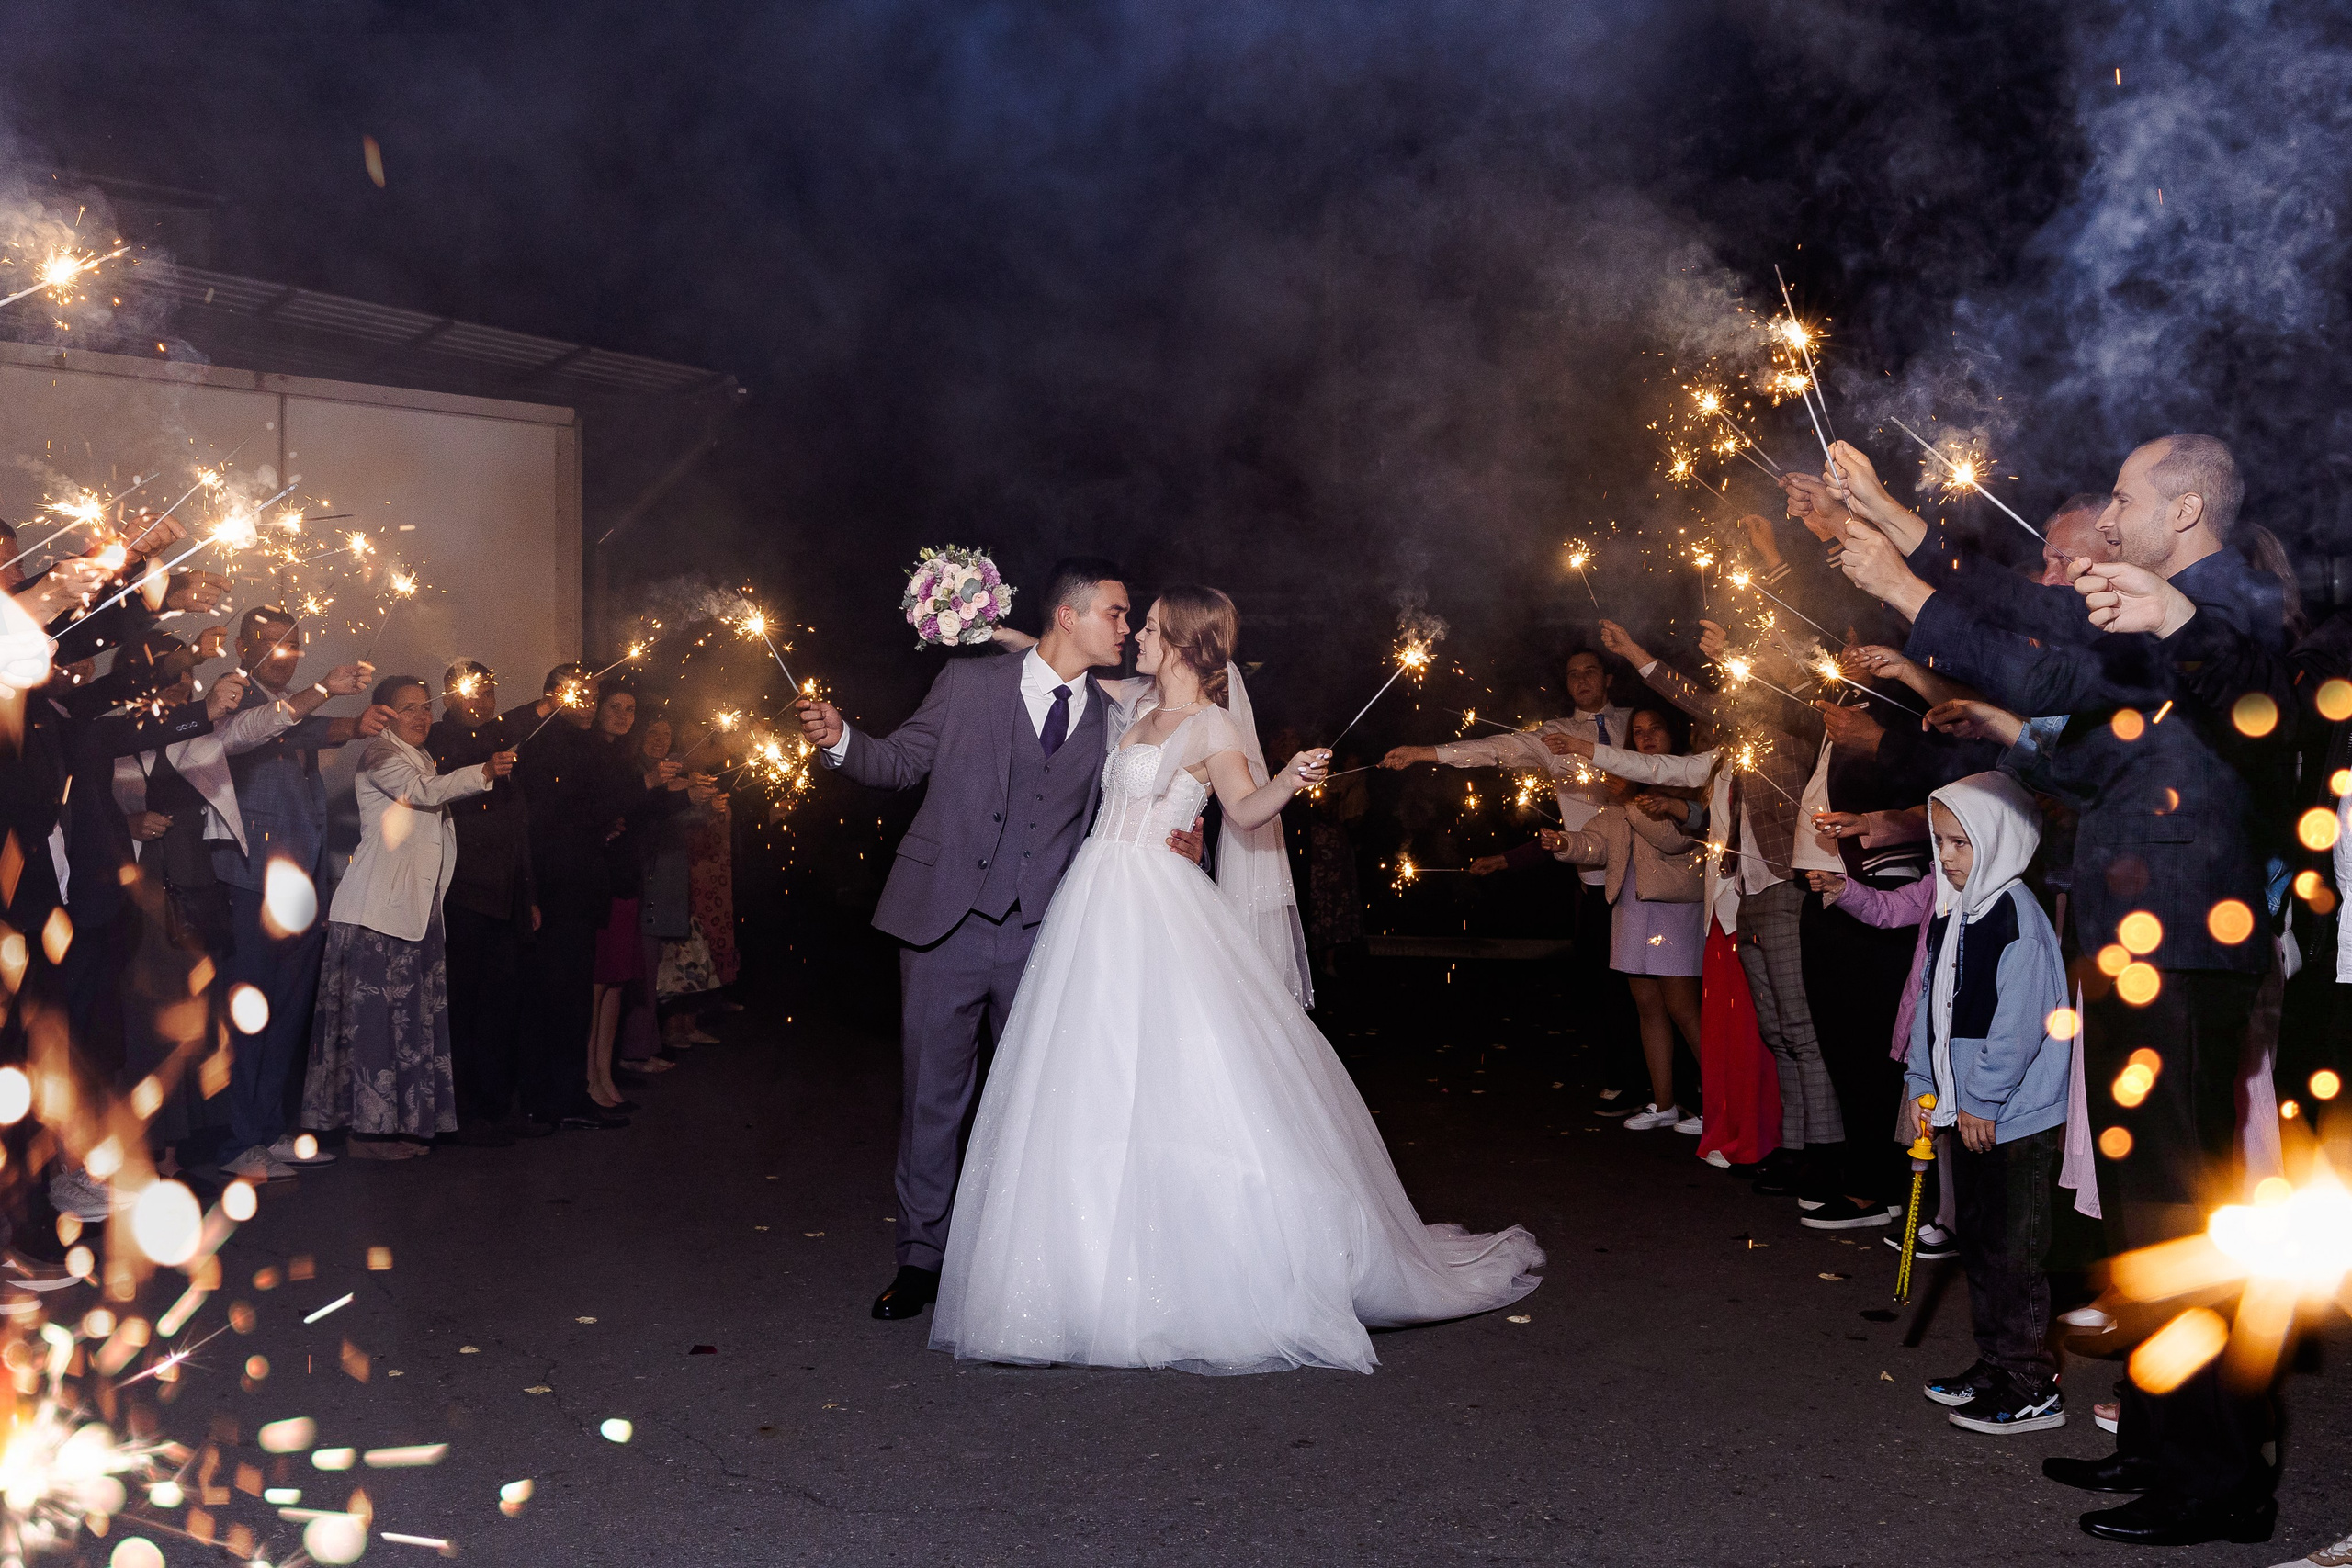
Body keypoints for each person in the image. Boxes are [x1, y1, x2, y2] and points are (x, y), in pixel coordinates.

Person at [1831, 434, 2287, 1546]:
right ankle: (2158, 1446)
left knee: (2181, 1219)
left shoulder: (2230, 609)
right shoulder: (2165, 606)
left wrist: (1902, 582)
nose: (2106, 513)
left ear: (2181, 510)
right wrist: (1903, 527)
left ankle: (2216, 1486)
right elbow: (2063, 680)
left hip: (2185, 950)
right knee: (2141, 1222)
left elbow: (2059, 661)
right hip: (2143, 945)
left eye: (2126, 495)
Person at [928, 586, 1543, 1372]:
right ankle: (1079, 1273)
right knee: (1087, 1073)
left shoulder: (1213, 724)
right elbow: (1048, 653)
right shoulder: (1131, 702)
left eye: (1148, 627)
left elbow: (1247, 812)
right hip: (1094, 900)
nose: (1135, 636)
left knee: (1186, 1074)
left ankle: (1215, 1266)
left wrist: (1289, 775)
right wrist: (976, 618)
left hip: (1157, 901)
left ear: (1184, 641)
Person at [794, 558, 1203, 1321]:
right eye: (1116, 613)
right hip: (942, 922)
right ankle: (919, 1262)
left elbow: (1148, 791)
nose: (1126, 627)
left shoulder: (1117, 715)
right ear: (1069, 616)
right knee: (931, 1103)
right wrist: (842, 737)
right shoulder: (969, 684)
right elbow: (899, 760)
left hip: (1044, 935)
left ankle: (1021, 1263)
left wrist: (1184, 832)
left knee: (1037, 1104)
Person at [1886, 774, 2070, 1435]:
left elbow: (2021, 1023)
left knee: (2015, 1251)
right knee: (1982, 1246)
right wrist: (1920, 1085)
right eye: (1940, 842)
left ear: (1999, 839)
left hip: (2011, 1117)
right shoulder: (1954, 908)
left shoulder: (2016, 912)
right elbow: (1934, 1013)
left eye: (1961, 841)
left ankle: (2030, 1383)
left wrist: (1985, 1097)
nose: (1949, 855)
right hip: (1967, 1109)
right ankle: (1996, 1362)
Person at [1381, 648, 1641, 1113]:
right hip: (1596, 876)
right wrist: (1425, 753)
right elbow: (1496, 749)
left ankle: (1672, 1086)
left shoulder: (1639, 724)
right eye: (1572, 673)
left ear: (1609, 679)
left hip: (1654, 868)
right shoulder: (1557, 734)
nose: (1581, 680)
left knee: (1661, 985)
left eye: (1590, 671)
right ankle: (1625, 1078)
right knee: (1609, 986)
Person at [213, 606, 396, 1180]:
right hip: (250, 884)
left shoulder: (295, 710)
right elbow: (273, 726)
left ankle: (268, 1131)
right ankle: (236, 1140)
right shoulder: (232, 698)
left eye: (290, 643)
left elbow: (309, 729)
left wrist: (356, 722)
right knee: (248, 1016)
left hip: (302, 887)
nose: (279, 652)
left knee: (288, 1014)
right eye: (267, 642)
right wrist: (327, 695)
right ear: (243, 648)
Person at [299, 678, 514, 1158]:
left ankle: (395, 1127)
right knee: (373, 1027)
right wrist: (481, 771)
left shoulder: (422, 756)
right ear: (384, 714)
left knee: (405, 1025)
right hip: (377, 914)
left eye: (425, 707)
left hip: (412, 913)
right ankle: (362, 1137)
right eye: (407, 708)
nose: (421, 716)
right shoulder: (379, 754)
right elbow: (419, 793)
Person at [510, 664, 686, 1133]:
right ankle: (551, 1099)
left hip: (583, 884)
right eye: (582, 696)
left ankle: (570, 1093)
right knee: (558, 995)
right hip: (558, 885)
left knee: (573, 996)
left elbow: (599, 808)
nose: (590, 704)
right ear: (554, 697)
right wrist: (642, 788)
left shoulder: (582, 745)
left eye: (594, 695)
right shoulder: (547, 744)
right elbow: (569, 812)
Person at [1527, 706, 1707, 1131]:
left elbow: (1673, 840)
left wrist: (1627, 798)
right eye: (1639, 733)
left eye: (1655, 730)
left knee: (1682, 1006)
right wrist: (1565, 843)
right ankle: (1663, 1103)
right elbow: (1599, 845)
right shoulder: (1625, 792)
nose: (1645, 738)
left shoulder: (1689, 783)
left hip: (1672, 906)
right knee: (1646, 1004)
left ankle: (1717, 1104)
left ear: (1672, 735)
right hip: (1630, 904)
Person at [429, 661, 537, 1143]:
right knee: (462, 1007)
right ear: (449, 697)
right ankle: (462, 1111)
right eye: (472, 693)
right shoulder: (438, 741)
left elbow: (519, 828)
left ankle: (496, 1106)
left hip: (506, 898)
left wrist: (528, 894)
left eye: (489, 693)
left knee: (503, 1005)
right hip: (462, 897)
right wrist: (540, 708)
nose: (482, 701)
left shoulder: (500, 745)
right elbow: (463, 766)